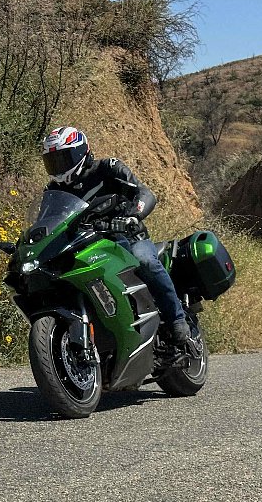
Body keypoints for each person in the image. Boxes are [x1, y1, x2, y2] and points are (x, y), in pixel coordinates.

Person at [41, 126, 189, 345]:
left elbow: (145, 193)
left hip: (127, 237)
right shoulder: (53, 190)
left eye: (63, 158)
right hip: (86, 244)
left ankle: (177, 319)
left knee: (146, 261)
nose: (58, 167)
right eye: (52, 161)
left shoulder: (108, 169)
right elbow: (47, 222)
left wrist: (133, 216)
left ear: (80, 152)